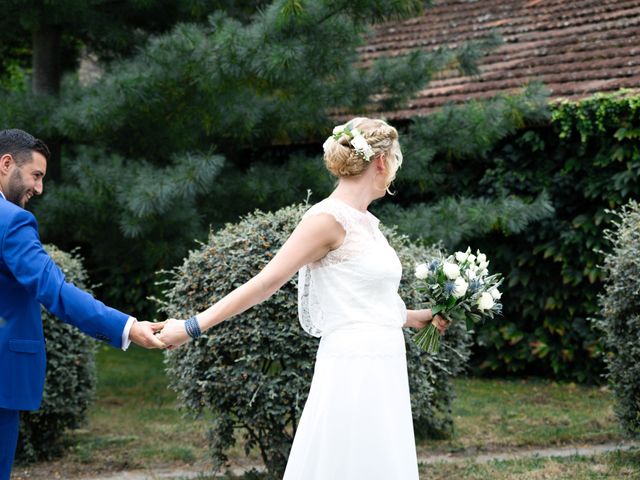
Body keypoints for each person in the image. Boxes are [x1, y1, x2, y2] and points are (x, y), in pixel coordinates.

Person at [159, 117, 448, 479]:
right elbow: (265, 283)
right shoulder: (325, 219)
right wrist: (190, 327)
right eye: (394, 162)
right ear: (380, 162)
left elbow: (362, 299)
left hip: (385, 360)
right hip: (352, 365)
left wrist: (415, 316)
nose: (393, 172)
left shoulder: (366, 222)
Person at [0, 129, 166, 480]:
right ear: (6, 163)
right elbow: (54, 290)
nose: (39, 188)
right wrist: (127, 327)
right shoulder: (11, 220)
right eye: (36, 175)